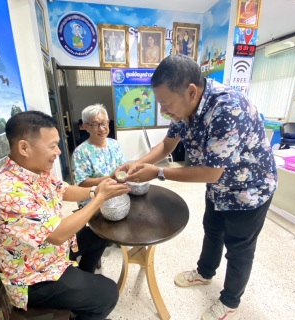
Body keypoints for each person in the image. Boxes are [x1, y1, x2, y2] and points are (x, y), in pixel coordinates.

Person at [116, 55, 277, 320]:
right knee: (212, 231)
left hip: (249, 190)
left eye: (166, 104)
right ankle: (204, 273)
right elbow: (167, 145)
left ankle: (230, 301)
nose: (165, 111)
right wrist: (134, 164)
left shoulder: (227, 108)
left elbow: (211, 173)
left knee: (239, 247)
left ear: (191, 91)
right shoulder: (184, 107)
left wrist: (157, 173)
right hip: (219, 189)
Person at [0, 111, 130, 320]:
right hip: (32, 275)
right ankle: (86, 303)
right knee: (107, 293)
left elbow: (63, 190)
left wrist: (97, 190)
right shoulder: (5, 192)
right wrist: (99, 199)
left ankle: (82, 286)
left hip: (51, 252)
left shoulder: (36, 170)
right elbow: (58, 234)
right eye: (52, 146)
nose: (58, 151)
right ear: (24, 147)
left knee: (100, 234)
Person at [72, 104, 127, 207]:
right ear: (85, 126)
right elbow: (82, 182)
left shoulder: (114, 144)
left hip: (116, 193)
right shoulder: (80, 152)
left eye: (104, 123)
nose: (102, 129)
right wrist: (109, 178)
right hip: (94, 197)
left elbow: (123, 166)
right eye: (95, 125)